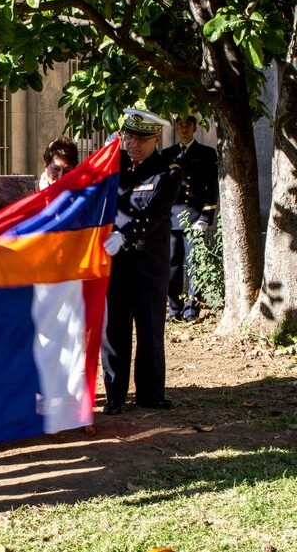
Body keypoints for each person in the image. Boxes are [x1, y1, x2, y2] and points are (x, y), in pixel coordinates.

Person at [101, 108, 182, 415]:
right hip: (117, 263)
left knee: (149, 330)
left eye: (141, 139)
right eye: (129, 137)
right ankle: (114, 394)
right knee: (114, 331)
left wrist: (125, 236)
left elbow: (155, 214)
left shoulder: (168, 171)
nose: (133, 144)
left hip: (149, 263)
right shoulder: (116, 163)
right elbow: (88, 183)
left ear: (156, 138)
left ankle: (150, 393)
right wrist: (104, 154)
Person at [162, 112, 219, 322]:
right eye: (179, 124)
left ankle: (191, 310)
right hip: (171, 219)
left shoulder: (206, 153)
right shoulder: (166, 155)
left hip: (195, 219)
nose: (183, 128)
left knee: (195, 265)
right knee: (172, 265)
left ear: (195, 127)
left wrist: (206, 216)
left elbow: (212, 187)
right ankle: (174, 309)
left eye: (188, 124)